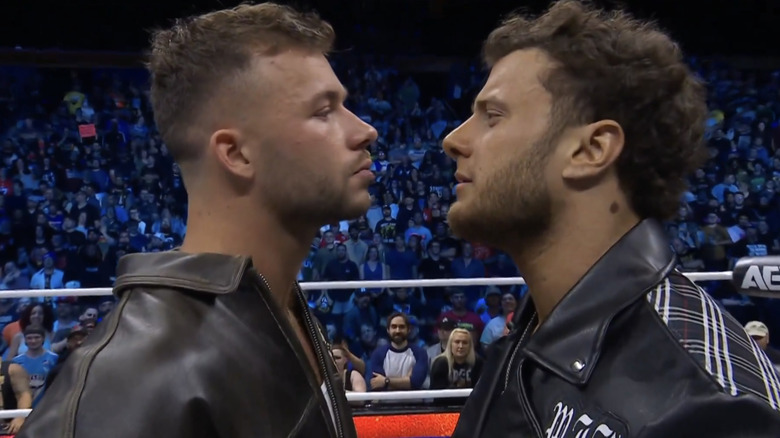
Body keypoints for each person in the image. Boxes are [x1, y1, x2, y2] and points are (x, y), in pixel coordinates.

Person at [17, 3, 376, 438]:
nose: (364, 130)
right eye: (323, 111)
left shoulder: (284, 314)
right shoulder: (125, 382)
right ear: (236, 154)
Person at [443, 1, 780, 437]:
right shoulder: (532, 329)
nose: (454, 140)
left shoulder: (707, 405)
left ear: (591, 150)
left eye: (492, 116)